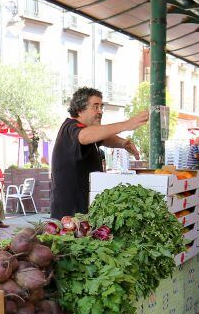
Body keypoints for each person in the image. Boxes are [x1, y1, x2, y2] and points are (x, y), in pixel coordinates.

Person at [50, 87, 146, 218]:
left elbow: (104, 138)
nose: (100, 111)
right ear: (79, 109)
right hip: (69, 215)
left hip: (84, 212)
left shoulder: (88, 130)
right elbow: (84, 136)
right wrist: (126, 125)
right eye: (95, 106)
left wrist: (123, 143)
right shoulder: (71, 127)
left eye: (101, 107)